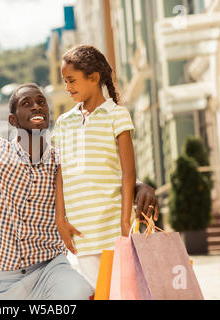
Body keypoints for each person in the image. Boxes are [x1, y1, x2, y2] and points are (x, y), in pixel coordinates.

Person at [0, 47, 158, 300]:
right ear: (12, 121)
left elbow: (100, 171)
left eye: (41, 102)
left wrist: (139, 186)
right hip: (6, 281)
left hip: (51, 269)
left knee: (84, 294)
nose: (36, 106)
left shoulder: (61, 157)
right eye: (27, 103)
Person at [53, 45, 159, 290]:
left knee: (123, 292)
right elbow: (60, 173)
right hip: (81, 228)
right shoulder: (63, 122)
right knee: (99, 293)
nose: (67, 88)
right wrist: (61, 219)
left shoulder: (116, 114)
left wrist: (125, 222)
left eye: (71, 81)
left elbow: (128, 172)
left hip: (113, 224)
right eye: (64, 81)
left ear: (93, 77)